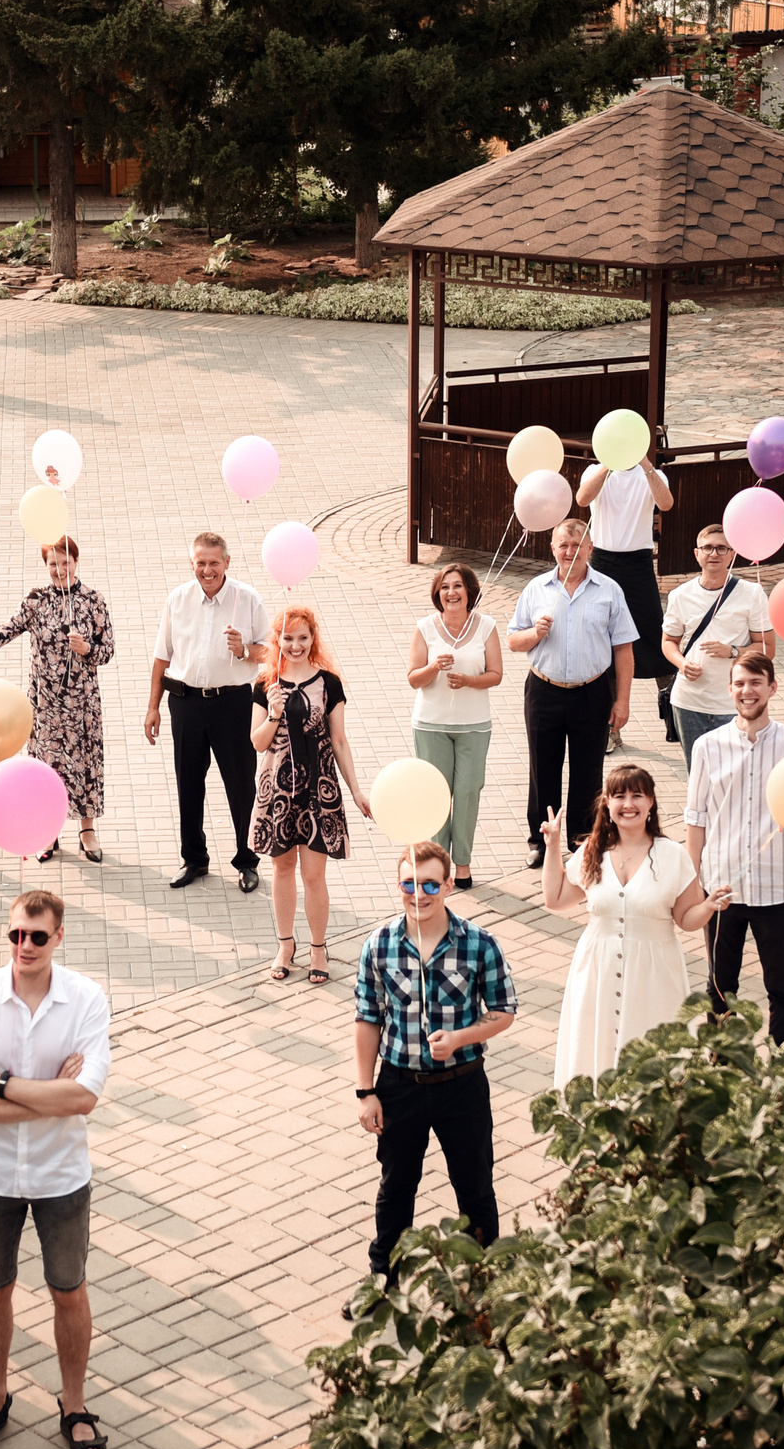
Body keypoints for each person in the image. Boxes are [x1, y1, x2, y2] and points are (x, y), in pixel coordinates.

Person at [0, 890, 112, 1449]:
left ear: (58, 937)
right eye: (16, 935)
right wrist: (48, 1097)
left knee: (69, 1289)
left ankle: (75, 1402)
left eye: (37, 936)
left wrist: (3, 1084)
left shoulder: (86, 999)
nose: (25, 946)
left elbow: (85, 1097)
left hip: (61, 1173)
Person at [351, 841, 517, 1288]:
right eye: (409, 882)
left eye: (429, 884)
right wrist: (365, 1091)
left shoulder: (479, 944)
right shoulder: (379, 944)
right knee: (396, 1189)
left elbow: (504, 1010)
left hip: (462, 1086)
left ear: (448, 884)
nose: (418, 893)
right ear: (398, 883)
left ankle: (486, 1281)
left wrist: (462, 1038)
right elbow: (368, 1018)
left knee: (476, 1187)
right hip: (399, 1086)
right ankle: (382, 1280)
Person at [540, 763, 729, 1087]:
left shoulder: (673, 855)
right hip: (596, 966)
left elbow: (685, 920)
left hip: (654, 971)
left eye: (637, 795)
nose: (628, 804)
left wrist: (708, 907)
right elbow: (555, 898)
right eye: (619, 796)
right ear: (607, 804)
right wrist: (552, 846)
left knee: (653, 1049)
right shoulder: (592, 851)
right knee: (593, 1048)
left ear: (651, 802)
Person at [682, 653, 784, 1046]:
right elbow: (696, 817)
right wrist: (692, 882)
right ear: (730, 688)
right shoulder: (707, 747)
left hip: (777, 886)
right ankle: (721, 1065)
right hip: (722, 889)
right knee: (720, 986)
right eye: (739, 683)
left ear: (772, 687)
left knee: (781, 987)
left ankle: (783, 1066)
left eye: (755, 682)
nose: (746, 690)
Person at [252, 605, 373, 985]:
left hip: (319, 789)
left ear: (312, 638)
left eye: (303, 638)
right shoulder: (265, 683)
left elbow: (338, 739)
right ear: (278, 641)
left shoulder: (329, 683)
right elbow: (257, 743)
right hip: (278, 791)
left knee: (314, 875)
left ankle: (318, 948)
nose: (295, 645)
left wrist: (355, 790)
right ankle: (285, 945)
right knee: (281, 868)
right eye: (288, 638)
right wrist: (273, 712)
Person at [507, 518, 638, 873]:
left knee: (588, 772)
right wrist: (535, 633)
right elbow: (513, 640)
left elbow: (624, 650)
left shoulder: (609, 590)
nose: (570, 551)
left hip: (592, 692)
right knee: (542, 769)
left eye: (577, 545)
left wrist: (622, 700)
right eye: (563, 545)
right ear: (552, 549)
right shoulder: (536, 588)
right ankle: (541, 841)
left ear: (590, 549)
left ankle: (583, 842)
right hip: (543, 689)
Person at [145, 533, 268, 893]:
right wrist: (152, 707)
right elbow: (162, 656)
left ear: (227, 563)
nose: (207, 570)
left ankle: (247, 860)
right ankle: (194, 859)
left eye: (214, 562)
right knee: (188, 784)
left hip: (234, 704)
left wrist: (245, 649)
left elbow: (271, 649)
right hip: (185, 703)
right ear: (192, 564)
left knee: (241, 785)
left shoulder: (246, 599)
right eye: (201, 563)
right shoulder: (178, 599)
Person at [0, 536, 114, 864]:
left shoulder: (92, 600)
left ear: (76, 561)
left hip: (82, 705)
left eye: (65, 562)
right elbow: (9, 630)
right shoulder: (36, 600)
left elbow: (108, 650)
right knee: (45, 770)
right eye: (53, 564)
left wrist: (87, 649)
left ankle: (87, 830)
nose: (59, 570)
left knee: (85, 767)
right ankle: (47, 832)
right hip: (45, 706)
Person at [405, 563, 504, 888]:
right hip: (431, 725)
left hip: (474, 726)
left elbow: (496, 674)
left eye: (458, 586)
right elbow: (414, 679)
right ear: (438, 594)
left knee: (466, 792)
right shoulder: (426, 627)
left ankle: (462, 863)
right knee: (437, 795)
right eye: (445, 587)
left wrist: (469, 681)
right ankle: (437, 865)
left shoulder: (486, 626)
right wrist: (433, 667)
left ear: (469, 591)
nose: (451, 592)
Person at [576, 443, 678, 747]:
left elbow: (667, 503)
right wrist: (609, 463)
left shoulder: (653, 474)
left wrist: (646, 464)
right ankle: (610, 729)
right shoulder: (595, 471)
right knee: (604, 643)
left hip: (639, 563)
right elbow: (582, 498)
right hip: (603, 561)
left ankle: (674, 718)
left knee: (656, 637)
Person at [660, 525, 775, 771]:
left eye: (722, 548)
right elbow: (668, 642)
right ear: (697, 553)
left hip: (734, 703)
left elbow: (768, 648)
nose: (714, 553)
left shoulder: (751, 593)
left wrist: (734, 651)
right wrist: (682, 663)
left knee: (737, 774)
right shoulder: (680, 595)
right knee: (699, 774)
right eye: (708, 548)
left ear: (732, 554)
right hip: (689, 702)